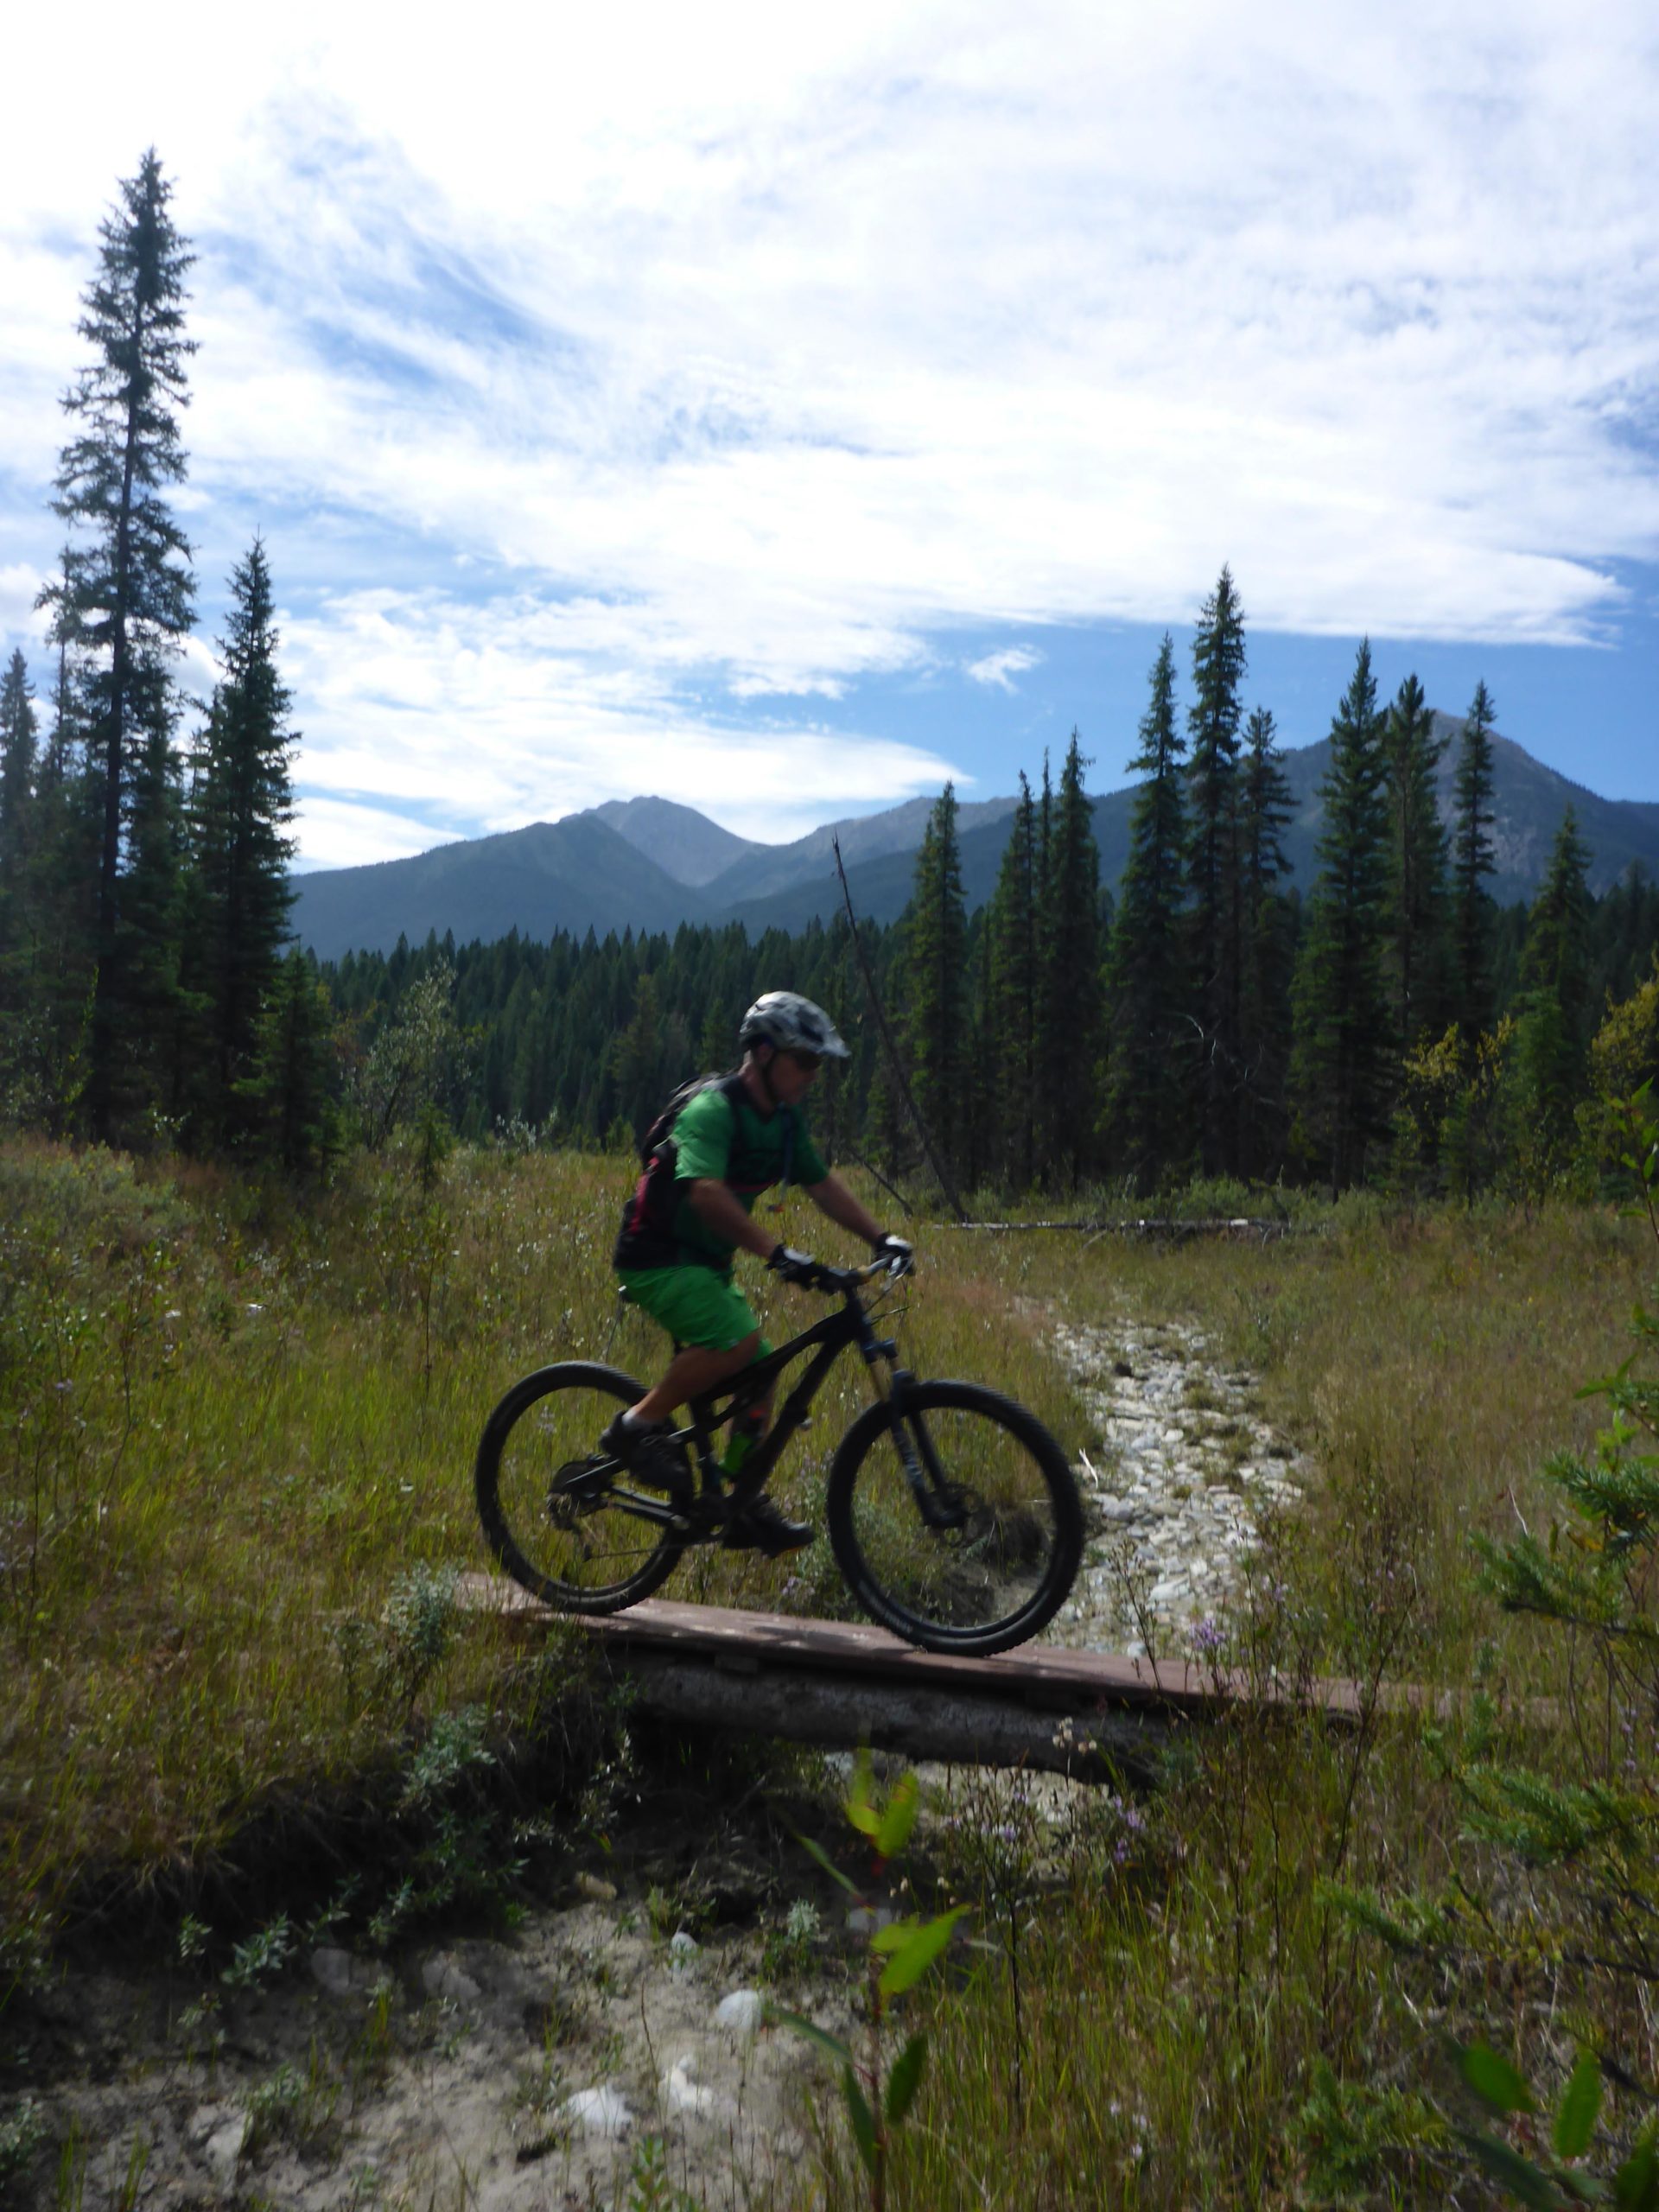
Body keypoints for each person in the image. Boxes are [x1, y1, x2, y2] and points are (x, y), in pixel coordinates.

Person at [603, 990, 912, 1555]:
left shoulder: (784, 1123)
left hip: (706, 1264)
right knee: (740, 1340)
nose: (812, 1076)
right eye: (805, 1062)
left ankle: (739, 1501)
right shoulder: (712, 1112)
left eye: (819, 1065)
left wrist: (879, 1237)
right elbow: (705, 1193)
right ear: (764, 1054)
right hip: (657, 1257)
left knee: (763, 1366)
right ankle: (636, 1426)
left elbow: (822, 1185)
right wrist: (776, 1251)